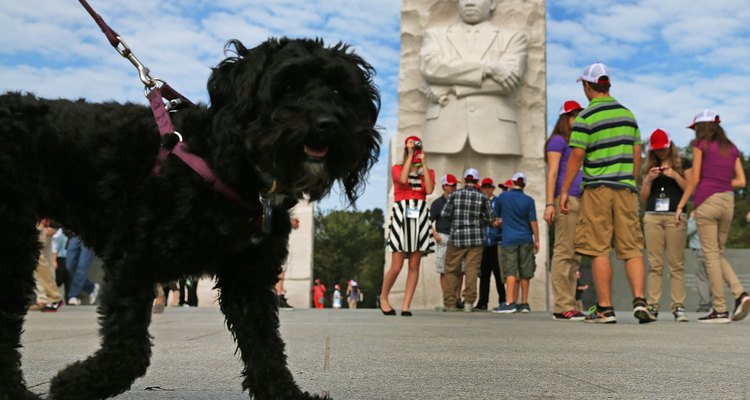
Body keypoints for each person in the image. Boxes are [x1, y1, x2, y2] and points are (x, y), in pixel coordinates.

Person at [560, 62, 656, 324]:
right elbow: (638, 154)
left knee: (599, 247)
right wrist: (631, 182)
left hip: (597, 189)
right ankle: (639, 300)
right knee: (632, 247)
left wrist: (565, 191)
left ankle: (605, 309)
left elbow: (577, 156)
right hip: (625, 188)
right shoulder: (628, 115)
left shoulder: (586, 117)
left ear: (587, 86)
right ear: (608, 85)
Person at [419, 0, 528, 180]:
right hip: (443, 128)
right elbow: (431, 68)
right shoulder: (435, 35)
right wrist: (488, 68)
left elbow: (509, 82)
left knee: (498, 198)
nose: (470, 2)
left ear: (492, 4)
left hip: (496, 130)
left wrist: (452, 88)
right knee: (436, 198)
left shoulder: (512, 37)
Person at [675, 109, 749, 323]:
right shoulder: (731, 147)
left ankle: (720, 310)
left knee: (710, 256)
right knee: (717, 253)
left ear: (701, 127)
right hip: (728, 202)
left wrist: (681, 206)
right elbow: (741, 181)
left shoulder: (700, 144)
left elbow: (695, 178)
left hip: (708, 201)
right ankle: (740, 293)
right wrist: (722, 184)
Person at [382, 136, 435, 316]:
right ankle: (383, 297)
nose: (415, 150)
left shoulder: (427, 171)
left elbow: (428, 190)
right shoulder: (397, 168)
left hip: (419, 213)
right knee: (396, 265)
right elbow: (403, 180)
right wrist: (410, 156)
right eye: (412, 147)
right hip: (402, 213)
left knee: (415, 264)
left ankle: (406, 305)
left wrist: (424, 164)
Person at [641, 128, 690, 322]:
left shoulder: (683, 164)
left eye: (663, 148)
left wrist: (674, 175)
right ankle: (652, 306)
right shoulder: (649, 168)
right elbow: (643, 199)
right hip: (653, 216)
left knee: (676, 264)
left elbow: (690, 189)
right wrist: (647, 180)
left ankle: (678, 306)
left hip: (675, 217)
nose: (661, 152)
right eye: (657, 149)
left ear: (670, 146)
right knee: (655, 264)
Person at [544, 100, 586, 321]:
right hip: (565, 199)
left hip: (581, 199)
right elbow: (552, 173)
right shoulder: (557, 141)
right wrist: (550, 203)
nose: (578, 119)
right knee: (563, 252)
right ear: (565, 118)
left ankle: (570, 303)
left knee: (575, 255)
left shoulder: (576, 141)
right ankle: (562, 305)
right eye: (574, 115)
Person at [441, 168, 497, 313]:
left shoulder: (455, 195)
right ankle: (469, 303)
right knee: (472, 270)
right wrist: (481, 221)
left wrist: (457, 220)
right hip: (476, 238)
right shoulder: (483, 197)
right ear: (478, 181)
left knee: (451, 270)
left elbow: (445, 214)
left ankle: (450, 303)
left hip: (457, 237)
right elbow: (491, 219)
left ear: (465, 180)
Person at [492, 173, 539, 314]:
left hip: (509, 239)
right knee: (526, 271)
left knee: (510, 270)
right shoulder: (529, 200)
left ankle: (509, 302)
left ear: (512, 183)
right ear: (524, 184)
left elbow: (498, 216)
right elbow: (533, 221)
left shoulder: (503, 197)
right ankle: (524, 303)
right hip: (525, 238)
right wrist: (537, 239)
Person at [430, 174, 463, 308]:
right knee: (443, 269)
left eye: (455, 185)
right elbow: (428, 220)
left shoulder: (460, 200)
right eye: (451, 185)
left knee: (460, 269)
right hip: (443, 236)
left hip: (458, 237)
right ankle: (447, 298)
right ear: (444, 186)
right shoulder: (437, 203)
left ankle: (457, 298)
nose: (453, 187)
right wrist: (435, 234)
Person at [475, 177, 505, 311]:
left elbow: (505, 216)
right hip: (482, 242)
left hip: (495, 241)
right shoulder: (478, 201)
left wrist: (500, 222)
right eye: (484, 187)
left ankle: (503, 300)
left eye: (489, 187)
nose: (487, 189)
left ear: (493, 188)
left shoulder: (498, 201)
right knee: (484, 274)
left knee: (499, 274)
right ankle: (483, 301)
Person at [32, 221, 65, 312]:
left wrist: (53, 225)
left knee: (37, 260)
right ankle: (44, 299)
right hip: (41, 223)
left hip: (41, 223)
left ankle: (53, 297)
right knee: (45, 261)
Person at [687, 211, 712, 313]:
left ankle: (704, 303)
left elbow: (688, 230)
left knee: (702, 278)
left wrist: (691, 218)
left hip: (699, 249)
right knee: (712, 277)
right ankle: (714, 302)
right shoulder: (712, 214)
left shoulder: (699, 215)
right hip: (712, 248)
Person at [65, 234, 100, 305]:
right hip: (74, 235)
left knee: (82, 267)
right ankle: (91, 287)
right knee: (69, 266)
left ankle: (74, 296)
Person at [277, 215, 300, 310]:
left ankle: (279, 294)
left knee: (282, 271)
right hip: (278, 245)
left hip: (282, 244)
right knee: (280, 271)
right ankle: (278, 296)